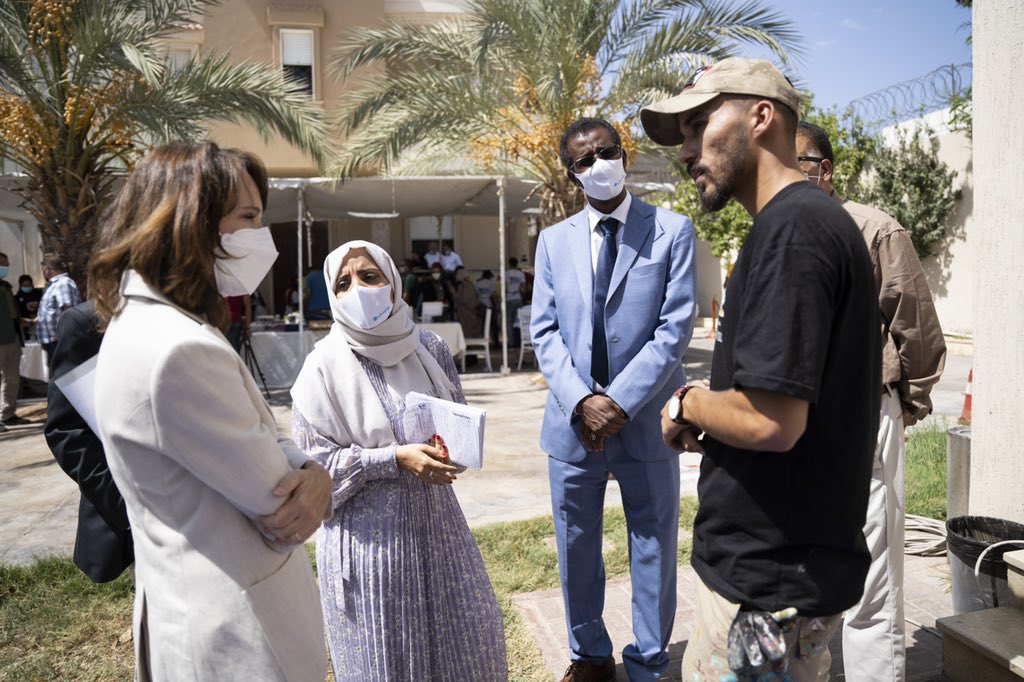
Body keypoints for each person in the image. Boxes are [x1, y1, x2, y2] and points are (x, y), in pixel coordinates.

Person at [641, 57, 880, 680]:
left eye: (698, 126)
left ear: (761, 116)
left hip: (767, 587)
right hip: (781, 577)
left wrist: (686, 403)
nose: (688, 150)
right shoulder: (796, 224)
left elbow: (772, 420)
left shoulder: (793, 230)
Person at [88, 141, 331, 681]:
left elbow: (258, 446)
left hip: (198, 616)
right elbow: (280, 508)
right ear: (192, 224)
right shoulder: (180, 349)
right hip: (236, 633)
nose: (259, 235)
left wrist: (307, 469)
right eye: (247, 218)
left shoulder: (145, 326)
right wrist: (315, 477)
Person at [290, 240, 507, 681]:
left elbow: (456, 419)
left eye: (370, 277)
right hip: (370, 550)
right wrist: (392, 459)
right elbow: (314, 471)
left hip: (439, 533)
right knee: (388, 664)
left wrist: (453, 450)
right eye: (344, 283)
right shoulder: (321, 369)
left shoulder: (429, 347)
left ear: (394, 284)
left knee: (469, 642)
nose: (358, 290)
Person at [531, 117, 697, 682]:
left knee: (652, 545)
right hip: (572, 426)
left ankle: (649, 660)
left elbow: (674, 330)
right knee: (576, 547)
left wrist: (618, 401)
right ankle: (590, 658)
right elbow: (544, 332)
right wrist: (582, 400)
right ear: (572, 173)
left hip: (646, 420)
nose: (598, 164)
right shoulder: (553, 241)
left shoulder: (671, 230)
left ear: (623, 154)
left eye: (607, 152)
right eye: (584, 160)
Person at [797, 121, 947, 682]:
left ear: (824, 169)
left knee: (871, 574)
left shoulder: (874, 231)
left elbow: (920, 334)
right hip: (792, 424)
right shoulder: (778, 232)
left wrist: (901, 408)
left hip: (862, 414)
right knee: (805, 567)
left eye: (800, 163)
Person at [45, 300, 133, 582]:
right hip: (137, 516)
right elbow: (67, 432)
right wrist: (132, 507)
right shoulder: (89, 322)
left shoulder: (197, 311)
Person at [37, 254, 81, 363]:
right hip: (54, 341)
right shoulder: (55, 285)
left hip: (59, 340)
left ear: (47, 269)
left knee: (61, 376)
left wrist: (63, 333)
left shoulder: (63, 284)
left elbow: (69, 310)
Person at [0, 252, 22, 431]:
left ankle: (8, 414)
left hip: (12, 339)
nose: (5, 267)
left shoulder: (6, 286)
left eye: (6, 264)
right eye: (2, 264)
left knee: (11, 378)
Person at [451, 266, 485, 338]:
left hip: (469, 314)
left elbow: (465, 300)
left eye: (457, 274)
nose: (456, 276)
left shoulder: (467, 285)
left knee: (468, 331)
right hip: (464, 314)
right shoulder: (463, 285)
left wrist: (454, 293)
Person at [504, 257, 526, 347]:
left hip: (509, 298)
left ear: (509, 263)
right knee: (519, 321)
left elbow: (504, 286)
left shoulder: (506, 273)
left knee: (509, 321)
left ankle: (511, 342)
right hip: (518, 297)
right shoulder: (521, 274)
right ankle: (519, 341)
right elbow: (523, 287)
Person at [14, 274, 41, 340]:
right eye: (25, 286)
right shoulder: (17, 297)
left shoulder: (38, 294)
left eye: (29, 285)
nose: (27, 287)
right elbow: (17, 311)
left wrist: (37, 305)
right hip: (25, 328)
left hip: (39, 325)